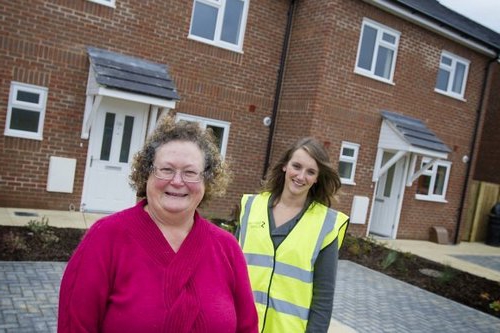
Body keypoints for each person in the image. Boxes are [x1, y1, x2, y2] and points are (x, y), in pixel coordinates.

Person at [58, 115, 258, 333]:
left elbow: (247, 327)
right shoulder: (105, 237)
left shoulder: (227, 248)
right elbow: (75, 326)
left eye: (190, 172)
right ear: (147, 174)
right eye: (166, 169)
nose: (178, 181)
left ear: (206, 181)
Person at [237, 137, 350, 333]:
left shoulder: (326, 225)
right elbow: (229, 272)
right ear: (284, 166)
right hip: (242, 326)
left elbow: (323, 298)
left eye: (311, 172)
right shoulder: (251, 207)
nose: (301, 176)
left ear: (317, 178)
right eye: (296, 166)